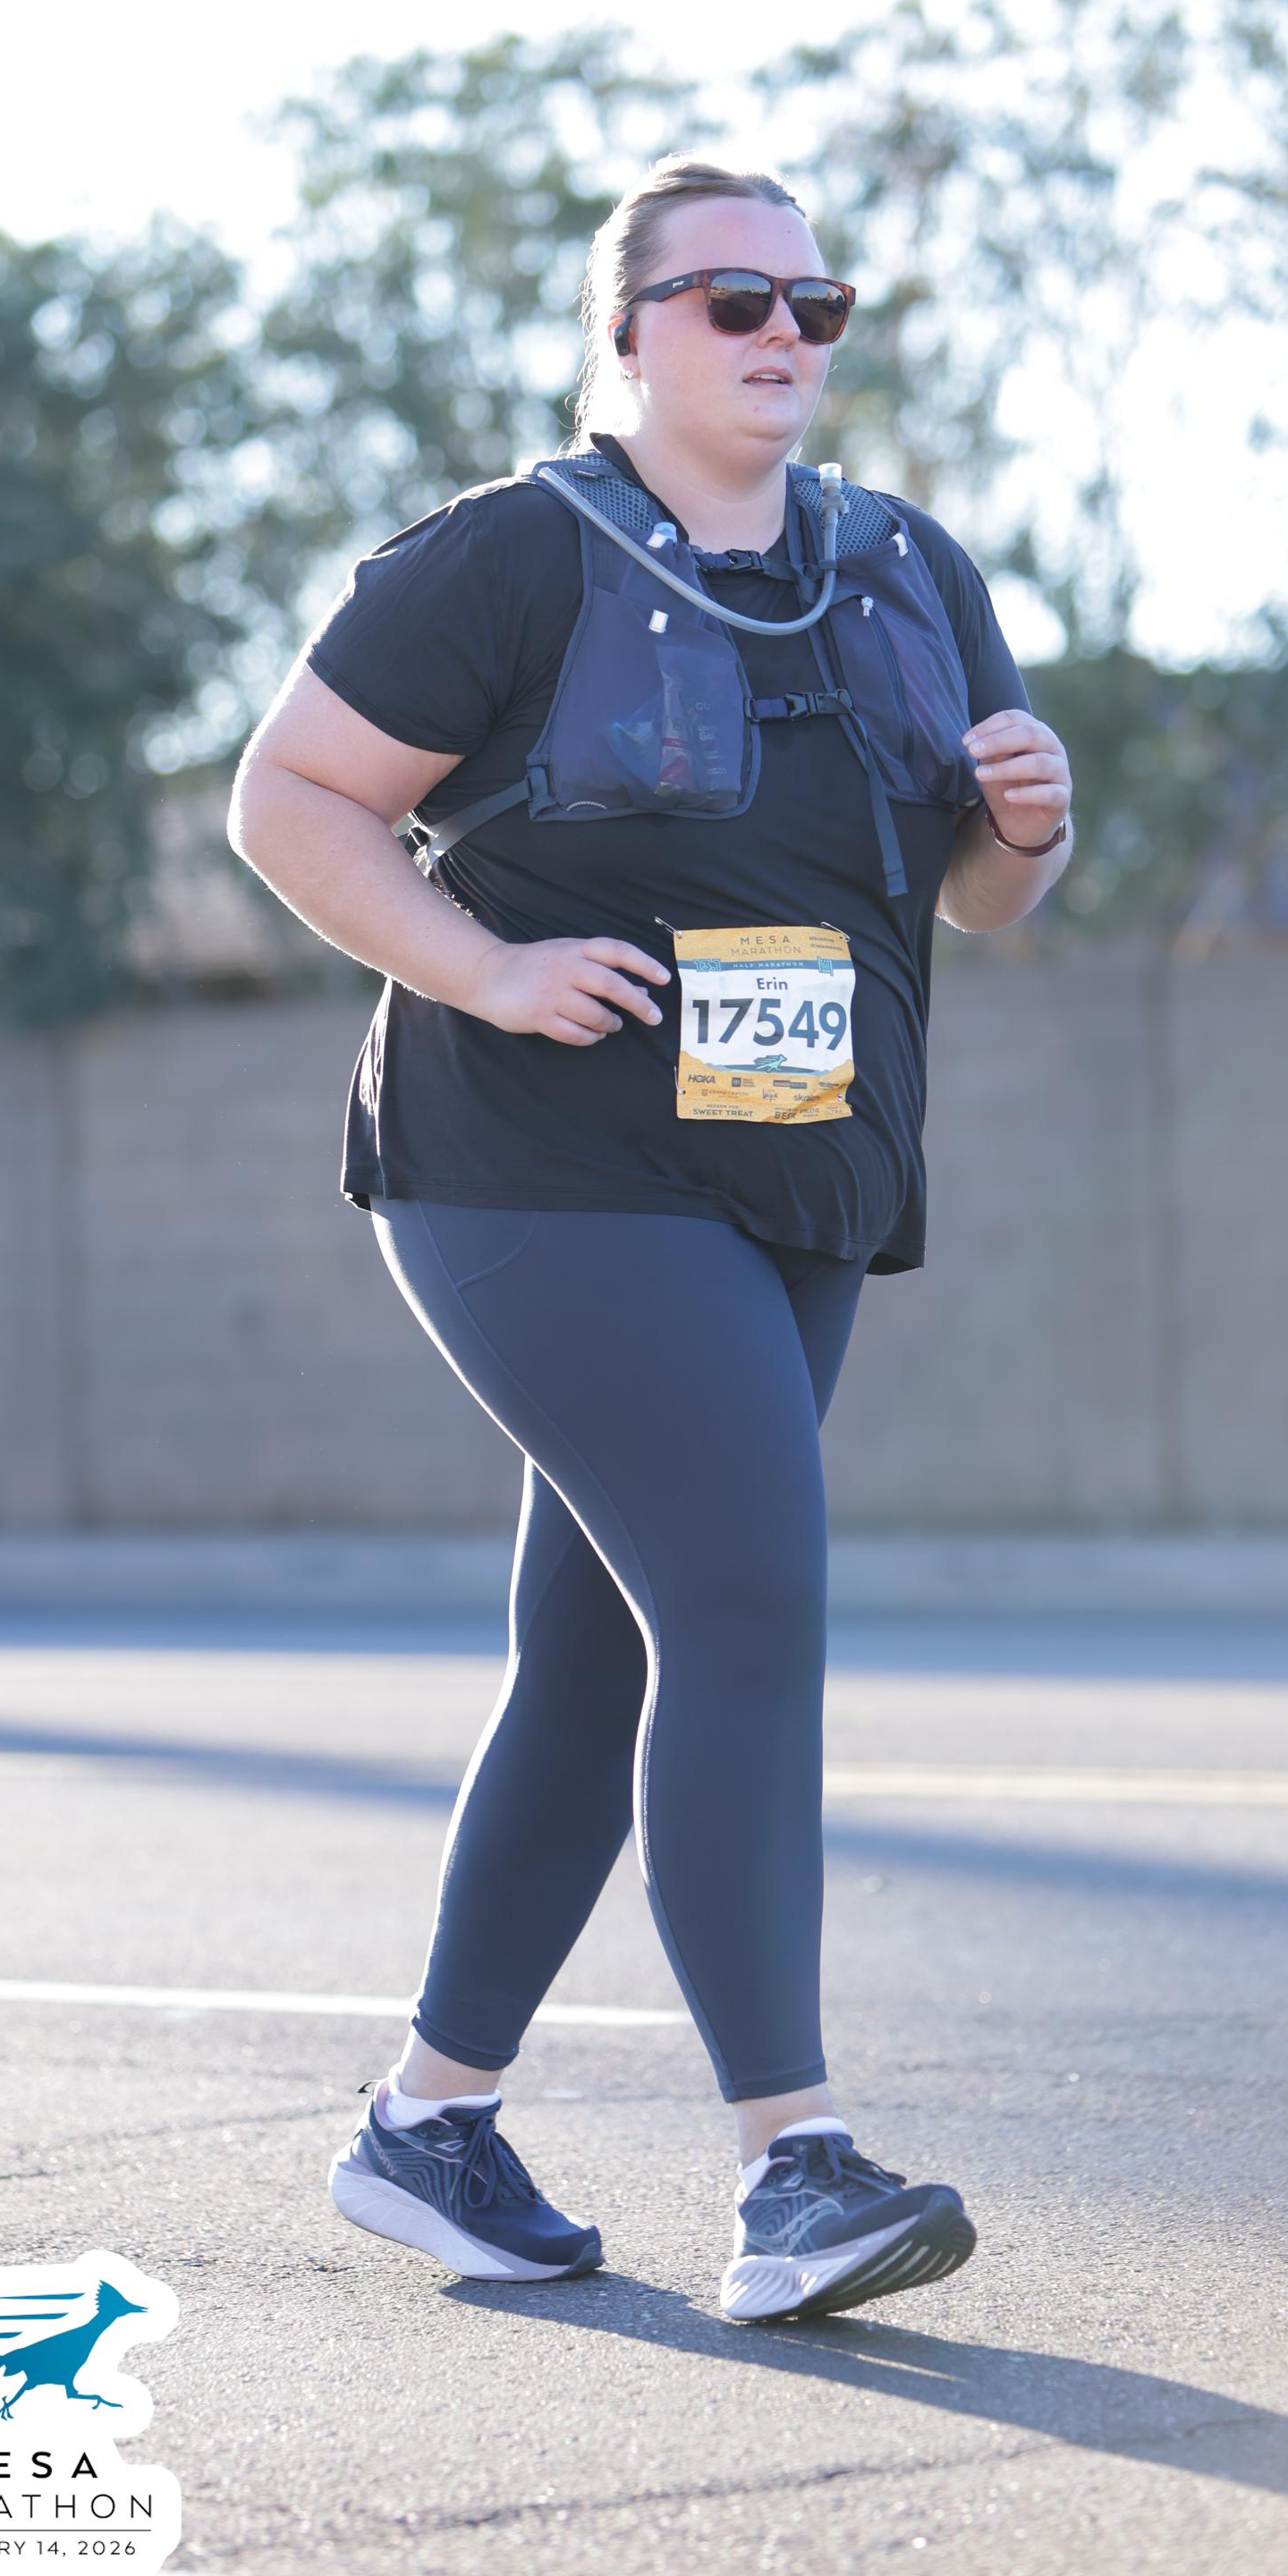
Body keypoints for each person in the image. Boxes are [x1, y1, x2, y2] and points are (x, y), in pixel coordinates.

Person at [227, 154, 1073, 2325]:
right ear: (625, 330)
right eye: (730, 299)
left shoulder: (901, 566)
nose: (784, 333)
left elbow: (969, 894)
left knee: (604, 1652)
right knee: (746, 1602)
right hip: (539, 1164)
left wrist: (1027, 832)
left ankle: (427, 2124)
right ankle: (794, 2168)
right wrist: (485, 969)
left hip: (795, 1166)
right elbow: (288, 797)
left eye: (815, 303)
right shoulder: (507, 554)